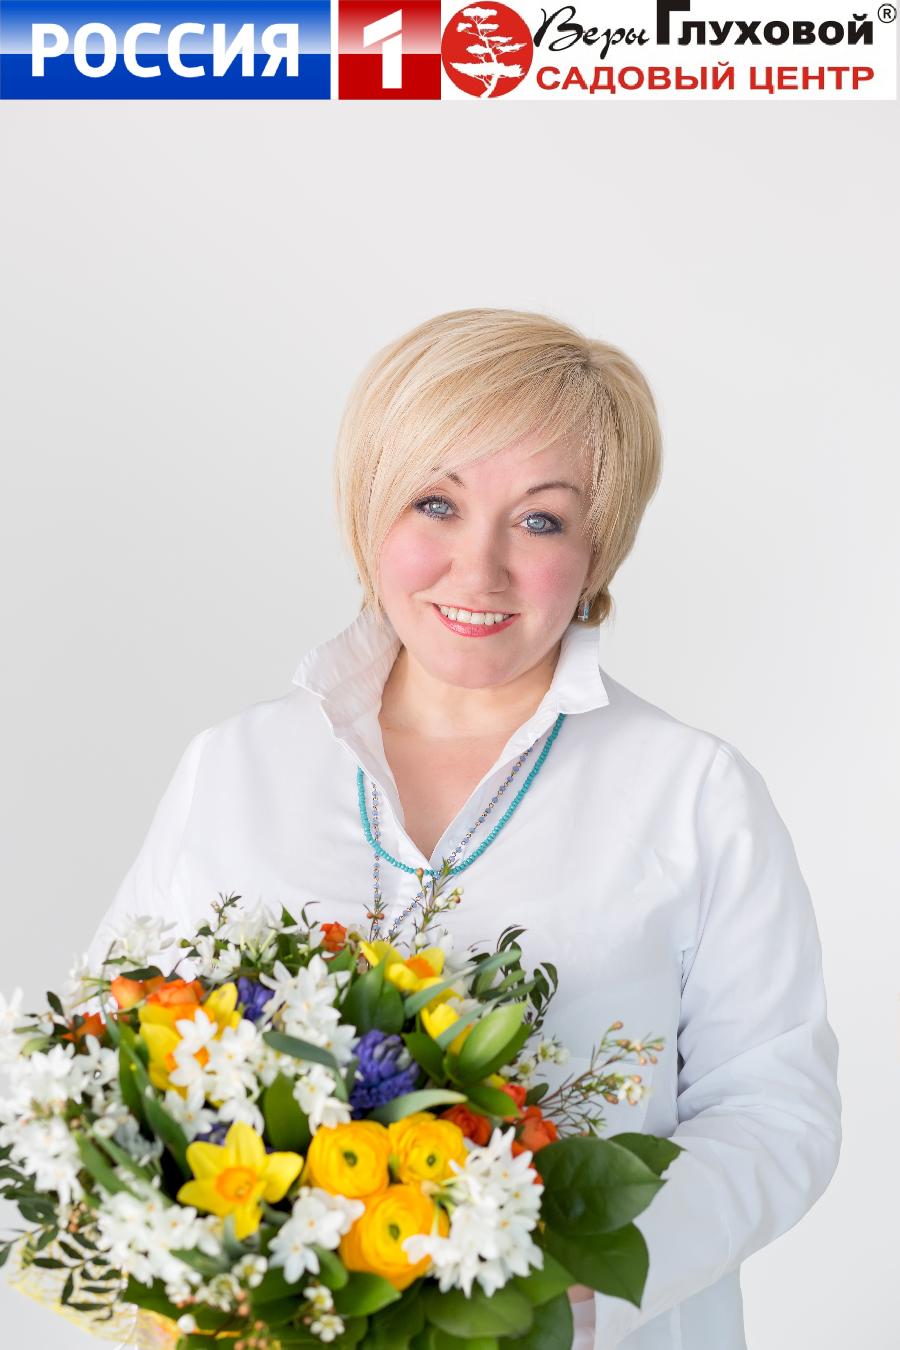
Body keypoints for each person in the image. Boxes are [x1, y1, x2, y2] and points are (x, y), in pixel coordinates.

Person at [88, 307, 842, 1349]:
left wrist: (568, 1283)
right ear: (368, 508)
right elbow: (109, 1054)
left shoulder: (692, 790)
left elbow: (777, 1109)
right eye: (435, 503)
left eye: (542, 521)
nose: (478, 570)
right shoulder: (236, 768)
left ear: (599, 549)